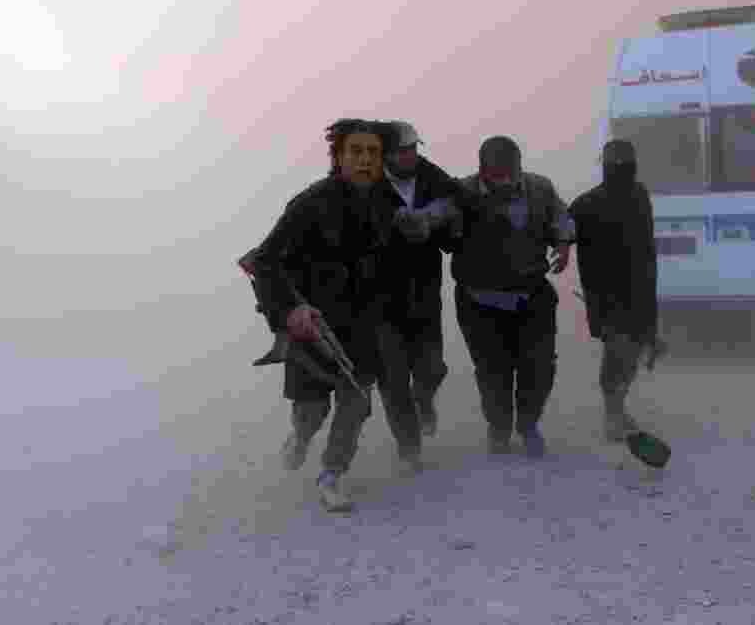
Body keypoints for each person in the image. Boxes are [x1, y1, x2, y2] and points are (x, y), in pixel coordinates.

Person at [246, 118, 401, 513]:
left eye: (373, 153)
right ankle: (299, 439)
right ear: (338, 156)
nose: (365, 160)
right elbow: (263, 263)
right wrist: (290, 310)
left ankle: (332, 474)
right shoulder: (310, 203)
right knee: (311, 413)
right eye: (356, 151)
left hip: (366, 327)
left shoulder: (389, 202)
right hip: (312, 329)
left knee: (357, 405)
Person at [443, 136, 575, 458]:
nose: (503, 180)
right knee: (493, 372)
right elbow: (433, 216)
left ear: (519, 167)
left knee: (539, 367)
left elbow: (563, 218)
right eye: (495, 175)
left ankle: (528, 424)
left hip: (532, 296)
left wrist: (563, 241)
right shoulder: (461, 193)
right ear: (481, 170)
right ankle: (499, 428)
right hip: (479, 303)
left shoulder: (540, 189)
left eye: (509, 173)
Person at [374, 120, 459, 475]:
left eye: (413, 149)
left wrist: (430, 217)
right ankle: (409, 447)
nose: (410, 156)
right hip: (379, 299)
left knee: (432, 368)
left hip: (424, 293)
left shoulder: (429, 175)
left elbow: (458, 197)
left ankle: (424, 401)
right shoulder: (368, 183)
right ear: (386, 155)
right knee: (393, 379)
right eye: (402, 151)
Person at [568, 139, 661, 442]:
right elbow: (559, 231)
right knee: (618, 352)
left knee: (631, 352)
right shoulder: (585, 205)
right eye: (617, 165)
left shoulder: (639, 195)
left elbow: (646, 244)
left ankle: (617, 409)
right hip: (606, 295)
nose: (622, 171)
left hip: (640, 289)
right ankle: (613, 414)